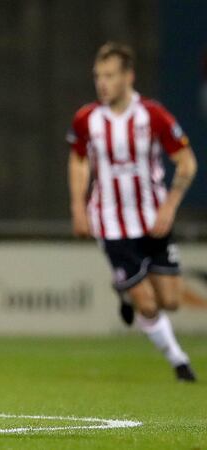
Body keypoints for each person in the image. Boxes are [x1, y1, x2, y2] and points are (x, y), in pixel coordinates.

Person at [67, 42, 198, 382]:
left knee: (170, 300)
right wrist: (78, 206)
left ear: (129, 76)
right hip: (111, 224)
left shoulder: (153, 116)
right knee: (148, 304)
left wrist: (169, 206)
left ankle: (122, 288)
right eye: (98, 76)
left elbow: (187, 162)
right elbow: (79, 160)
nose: (102, 83)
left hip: (152, 220)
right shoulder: (87, 119)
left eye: (109, 75)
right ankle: (180, 362)